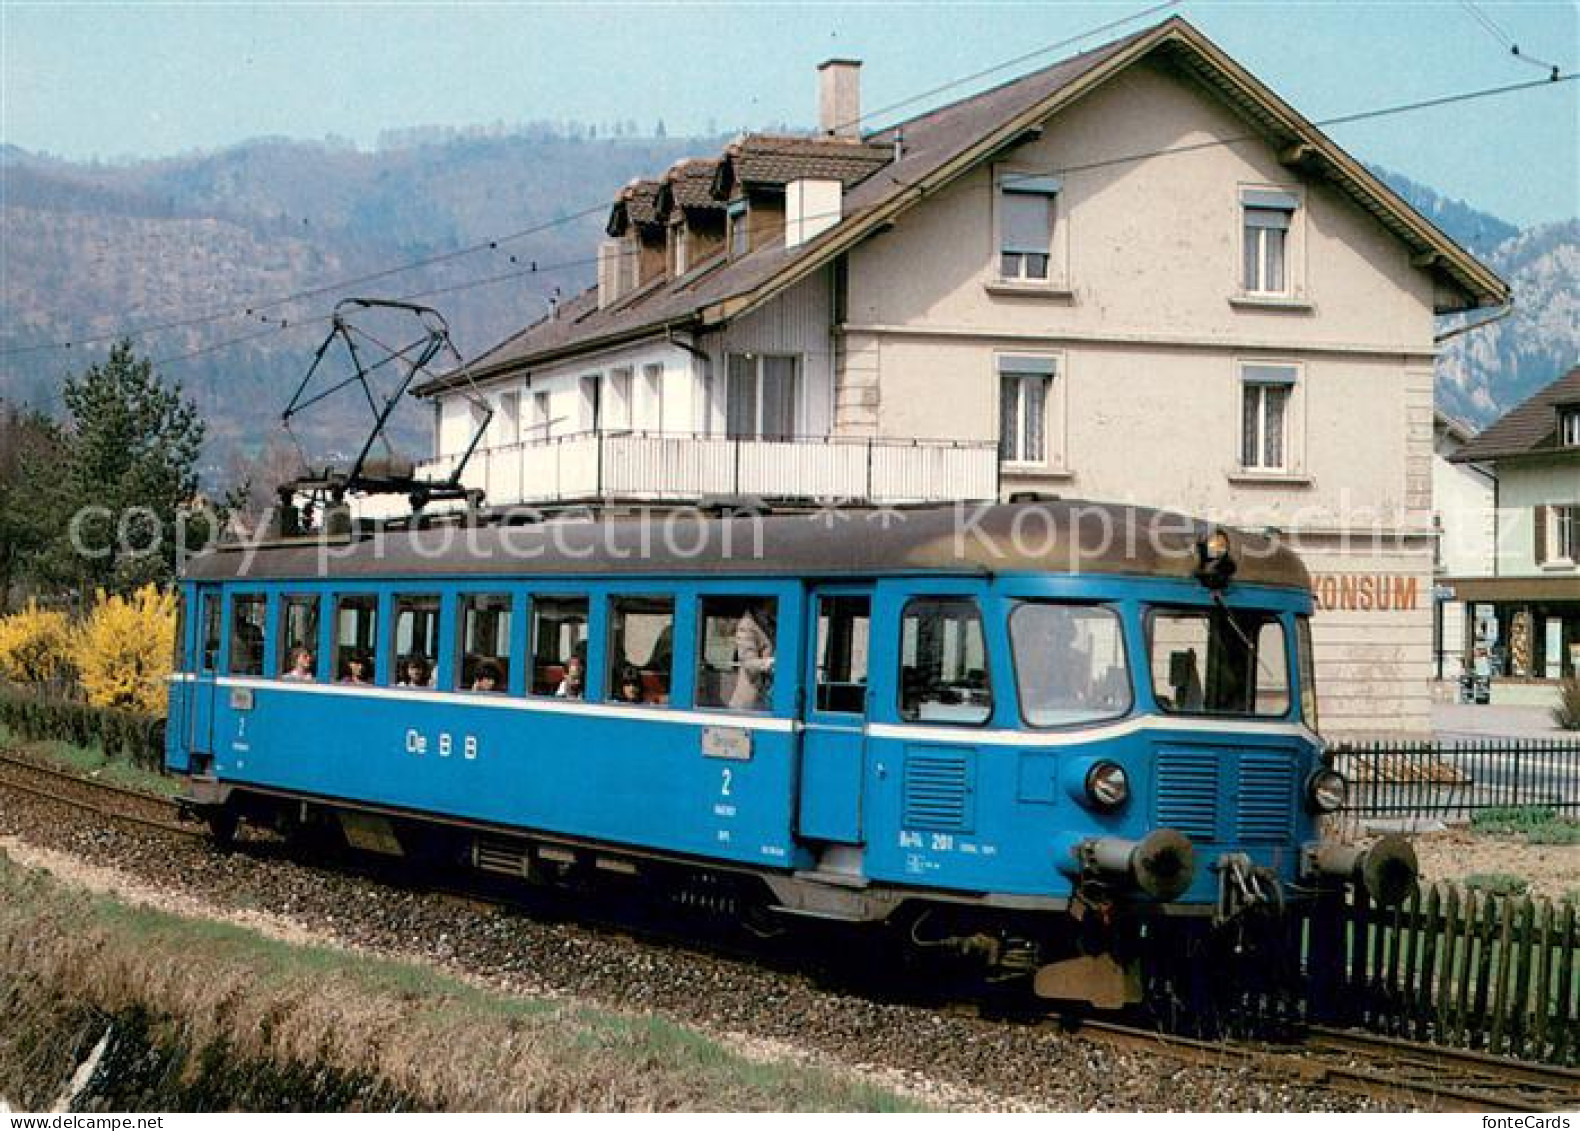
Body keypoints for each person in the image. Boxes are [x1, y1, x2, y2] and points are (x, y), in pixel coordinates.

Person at [728, 606, 775, 710]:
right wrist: (770, 663)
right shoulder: (746, 625)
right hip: (750, 701)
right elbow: (748, 662)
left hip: (768, 695)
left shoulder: (769, 623)